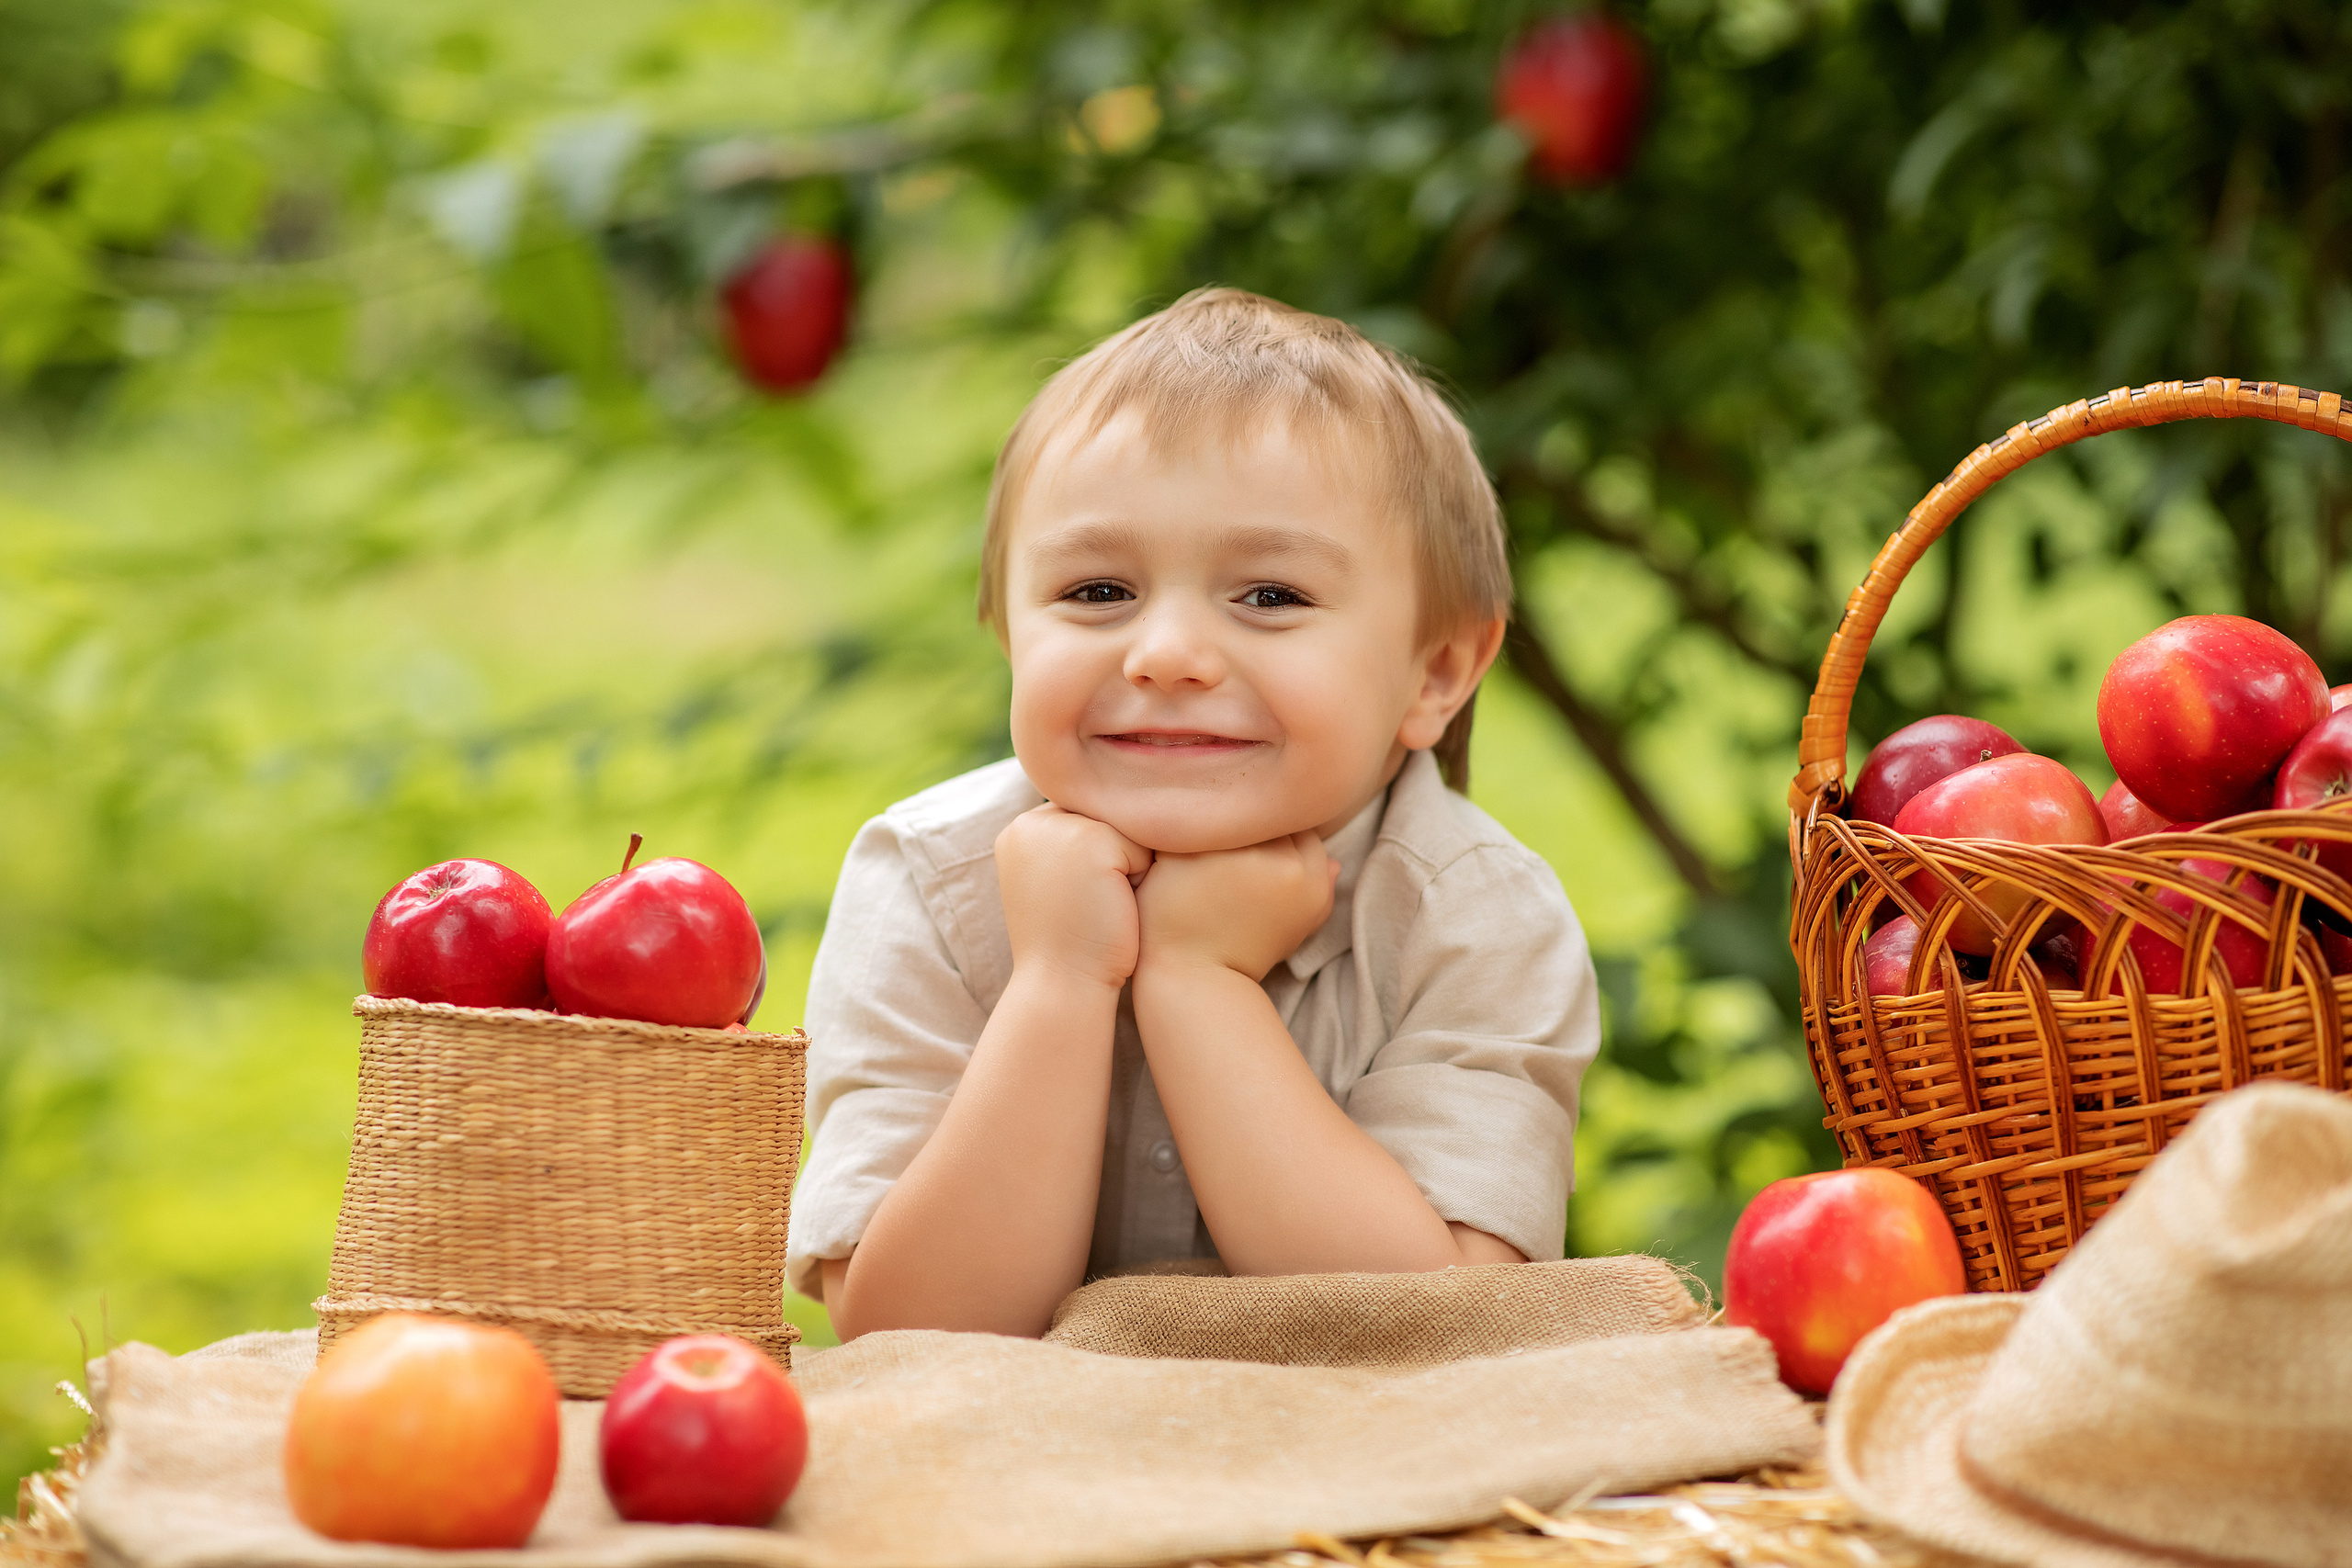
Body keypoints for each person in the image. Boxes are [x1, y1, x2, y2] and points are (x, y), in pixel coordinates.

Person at [787, 288, 1600, 1339]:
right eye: (1094, 592)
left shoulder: (1477, 918)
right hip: (1018, 1479)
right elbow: (909, 1333)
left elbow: (1427, 1331)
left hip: (1365, 1485)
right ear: (1008, 634)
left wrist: (1197, 982)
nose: (1164, 654)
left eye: (1269, 596)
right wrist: (1058, 980)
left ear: (1434, 673)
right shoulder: (929, 879)